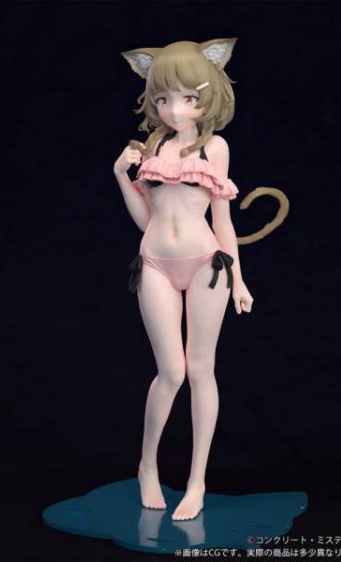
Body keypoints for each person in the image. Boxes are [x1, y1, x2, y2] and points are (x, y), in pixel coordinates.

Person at [113, 38, 253, 521]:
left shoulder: (215, 147)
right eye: (163, 98)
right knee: (170, 371)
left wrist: (238, 278)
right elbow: (146, 219)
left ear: (209, 93)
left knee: (200, 370)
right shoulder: (152, 147)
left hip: (207, 264)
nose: (175, 109)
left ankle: (197, 482)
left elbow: (222, 219)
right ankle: (146, 465)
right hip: (154, 261)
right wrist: (121, 177)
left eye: (189, 97)